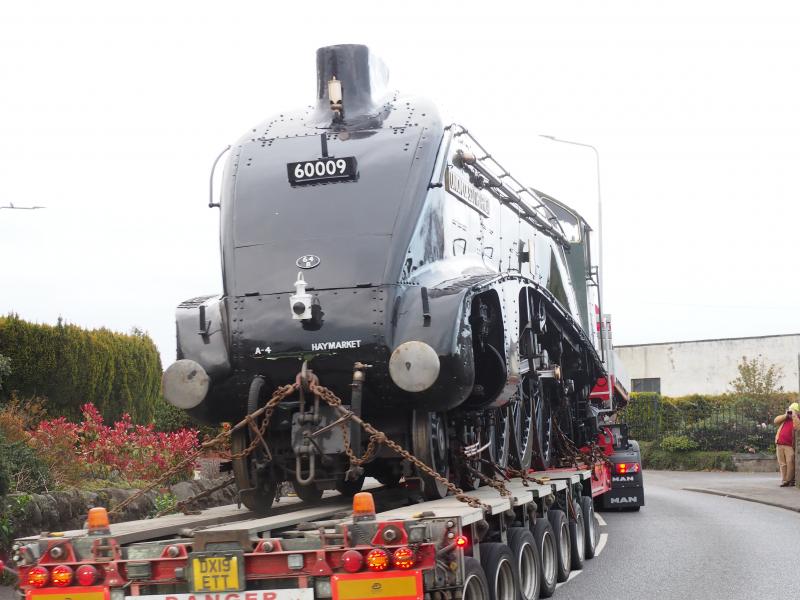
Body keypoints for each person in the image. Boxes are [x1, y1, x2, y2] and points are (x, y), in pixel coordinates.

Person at [774, 402, 800, 487]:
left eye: (793, 410)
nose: (790, 412)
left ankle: (789, 480)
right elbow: (775, 420)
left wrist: (794, 416)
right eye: (790, 410)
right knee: (782, 463)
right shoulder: (784, 418)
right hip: (779, 444)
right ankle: (785, 480)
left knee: (790, 462)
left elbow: (797, 427)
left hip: (789, 445)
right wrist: (785, 415)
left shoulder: (797, 418)